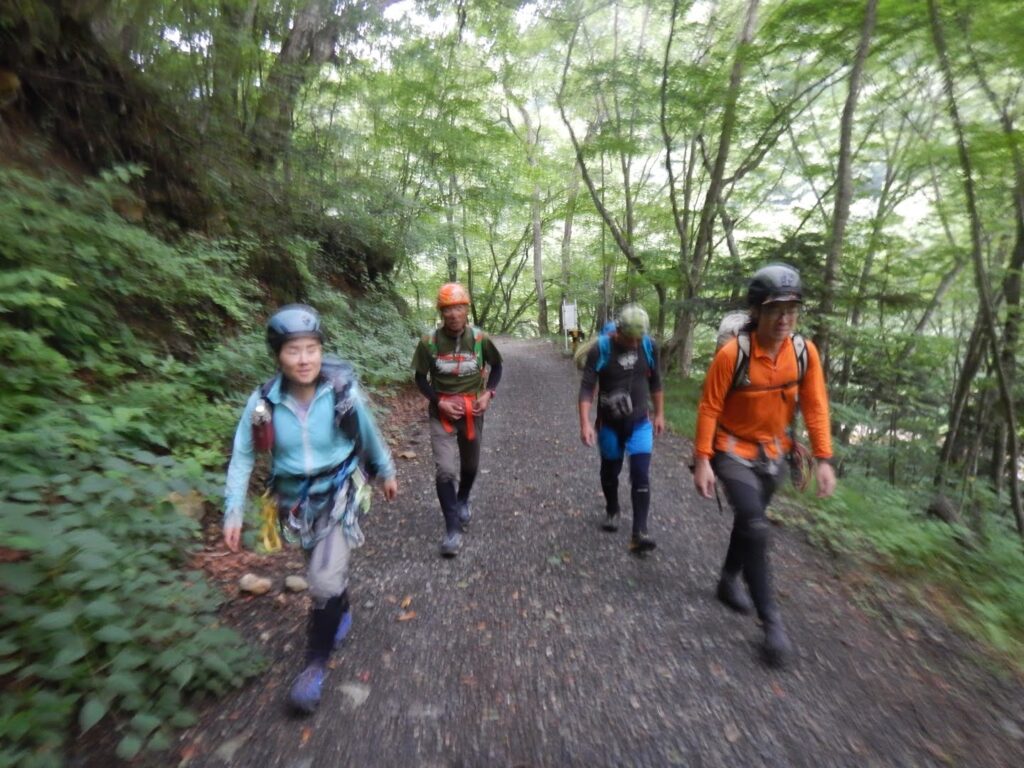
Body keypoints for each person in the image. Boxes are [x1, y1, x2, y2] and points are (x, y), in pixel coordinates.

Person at [223, 304, 398, 713]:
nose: (304, 359)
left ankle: (313, 667)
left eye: (311, 348)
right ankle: (340, 605)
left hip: (339, 493)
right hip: (295, 502)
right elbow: (243, 456)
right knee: (322, 573)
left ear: (321, 350)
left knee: (321, 582)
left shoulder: (341, 393)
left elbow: (369, 434)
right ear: (278, 356)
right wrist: (233, 509)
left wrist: (387, 470)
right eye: (293, 350)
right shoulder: (263, 403)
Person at [692, 264, 836, 667]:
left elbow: (815, 407)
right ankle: (772, 624)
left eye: (792, 309)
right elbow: (709, 408)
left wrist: (824, 458)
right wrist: (702, 460)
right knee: (755, 525)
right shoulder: (732, 355)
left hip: (774, 455)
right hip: (731, 451)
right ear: (757, 312)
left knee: (749, 522)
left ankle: (727, 580)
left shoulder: (804, 353)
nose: (784, 318)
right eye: (775, 309)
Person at [411, 283, 503, 557]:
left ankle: (462, 498)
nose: (453, 314)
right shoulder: (429, 342)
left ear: (466, 310)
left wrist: (488, 394)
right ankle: (452, 529)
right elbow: (420, 378)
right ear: (441, 312)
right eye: (448, 309)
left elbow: (497, 366)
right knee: (445, 470)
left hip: (472, 411)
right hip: (441, 412)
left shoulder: (480, 339)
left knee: (471, 465)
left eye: (459, 308)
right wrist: (438, 401)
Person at [578, 304, 665, 553]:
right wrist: (585, 423)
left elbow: (656, 382)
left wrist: (659, 414)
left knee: (640, 473)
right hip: (609, 425)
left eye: (639, 338)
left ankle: (640, 532)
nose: (635, 344)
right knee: (610, 471)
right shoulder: (601, 349)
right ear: (618, 331)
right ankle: (612, 509)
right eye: (630, 339)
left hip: (640, 422)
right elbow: (587, 388)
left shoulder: (649, 346)